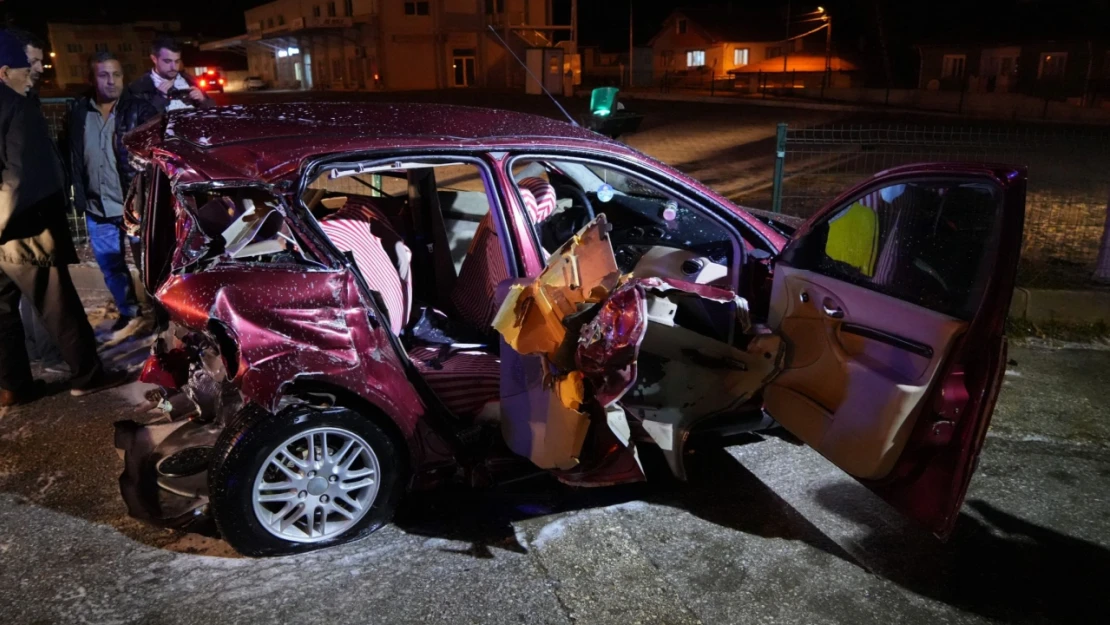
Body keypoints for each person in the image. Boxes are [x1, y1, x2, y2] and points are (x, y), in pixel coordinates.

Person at [0, 30, 127, 406]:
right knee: (59, 304)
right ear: (5, 71)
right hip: (25, 227)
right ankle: (87, 375)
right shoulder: (17, 107)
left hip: (6, 226)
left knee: (3, 313)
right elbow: (21, 176)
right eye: (27, 68)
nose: (33, 74)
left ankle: (13, 386)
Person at [67, 51, 158, 343]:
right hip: (97, 208)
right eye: (103, 75)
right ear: (91, 78)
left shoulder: (140, 111)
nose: (111, 81)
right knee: (111, 266)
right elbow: (71, 157)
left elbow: (157, 155)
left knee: (150, 266)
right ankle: (130, 313)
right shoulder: (79, 112)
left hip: (135, 208)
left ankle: (159, 315)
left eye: (116, 74)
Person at [126, 35, 213, 113]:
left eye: (177, 61)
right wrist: (159, 100)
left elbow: (213, 112)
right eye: (167, 61)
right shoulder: (138, 88)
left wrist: (204, 101)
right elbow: (137, 123)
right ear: (154, 59)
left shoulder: (190, 80)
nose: (173, 67)